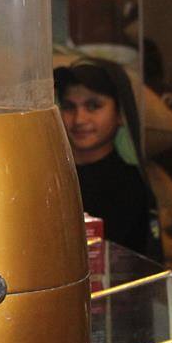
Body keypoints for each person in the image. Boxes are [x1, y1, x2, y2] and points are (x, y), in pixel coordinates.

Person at [55, 59, 160, 257]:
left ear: (120, 114)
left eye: (93, 106)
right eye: (69, 107)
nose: (79, 119)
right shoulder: (51, 179)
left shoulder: (130, 186)